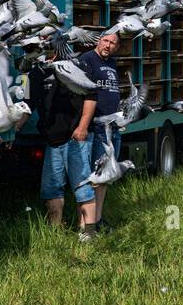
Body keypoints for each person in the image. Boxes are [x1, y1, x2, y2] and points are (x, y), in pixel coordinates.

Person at [28, 63, 97, 237]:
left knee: (82, 186)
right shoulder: (36, 73)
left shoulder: (75, 66)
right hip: (52, 141)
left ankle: (88, 233)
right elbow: (28, 105)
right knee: (51, 189)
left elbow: (91, 95)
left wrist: (83, 127)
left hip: (76, 138)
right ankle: (55, 233)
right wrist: (13, 129)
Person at [74, 32, 122, 232]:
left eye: (113, 43)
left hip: (112, 128)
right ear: (98, 41)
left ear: (116, 48)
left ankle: (98, 219)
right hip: (95, 129)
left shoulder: (112, 63)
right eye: (105, 40)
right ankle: (85, 224)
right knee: (90, 177)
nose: (108, 45)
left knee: (104, 178)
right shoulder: (87, 60)